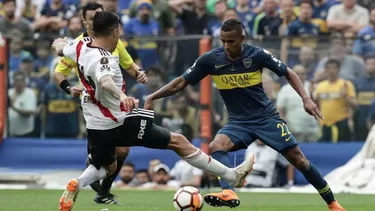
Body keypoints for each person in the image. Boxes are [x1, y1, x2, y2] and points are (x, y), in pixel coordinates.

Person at [52, 12, 255, 211]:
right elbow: (105, 82)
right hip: (118, 123)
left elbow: (61, 48)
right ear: (114, 31)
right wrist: (122, 96)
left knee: (106, 167)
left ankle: (78, 183)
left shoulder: (80, 45)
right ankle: (232, 176)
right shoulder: (105, 59)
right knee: (178, 142)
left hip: (95, 126)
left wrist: (59, 44)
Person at [144, 18, 346, 211]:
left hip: (266, 118)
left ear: (242, 38)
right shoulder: (210, 60)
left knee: (299, 160)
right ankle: (229, 192)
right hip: (238, 122)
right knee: (216, 145)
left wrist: (306, 98)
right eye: (223, 41)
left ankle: (332, 203)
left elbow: (288, 72)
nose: (226, 45)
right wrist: (153, 96)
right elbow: (181, 82)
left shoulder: (257, 55)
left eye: (231, 41)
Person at [53, 2, 146, 204]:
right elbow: (59, 71)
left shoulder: (114, 41)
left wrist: (138, 73)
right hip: (93, 106)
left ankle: (103, 190)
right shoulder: (79, 45)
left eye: (100, 15)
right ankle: (95, 181)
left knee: (122, 150)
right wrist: (68, 88)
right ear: (85, 21)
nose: (97, 19)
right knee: (105, 157)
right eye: (92, 17)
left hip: (116, 104)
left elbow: (129, 65)